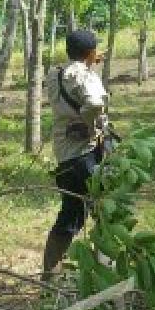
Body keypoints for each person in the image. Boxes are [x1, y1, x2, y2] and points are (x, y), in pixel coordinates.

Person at [41, 29, 114, 278]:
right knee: (105, 213)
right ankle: (105, 273)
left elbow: (72, 83)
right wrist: (91, 121)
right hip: (87, 154)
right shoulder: (86, 77)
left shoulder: (56, 75)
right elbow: (93, 103)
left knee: (70, 215)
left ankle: (51, 274)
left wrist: (89, 64)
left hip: (65, 156)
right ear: (91, 52)